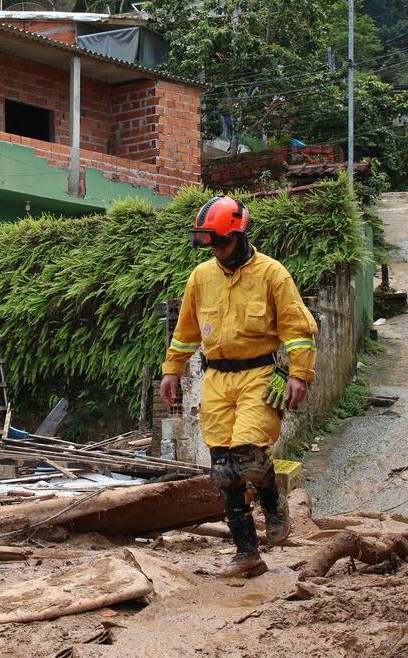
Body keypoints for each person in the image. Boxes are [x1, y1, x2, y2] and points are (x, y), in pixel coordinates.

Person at [160, 195, 318, 579]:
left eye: (222, 241)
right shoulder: (201, 277)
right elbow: (185, 333)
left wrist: (299, 373)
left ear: (241, 233)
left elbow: (298, 331)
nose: (216, 249)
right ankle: (247, 553)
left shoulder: (273, 275)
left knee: (247, 455)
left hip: (259, 375)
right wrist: (171, 370)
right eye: (210, 243)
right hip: (216, 378)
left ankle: (273, 504)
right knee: (222, 471)